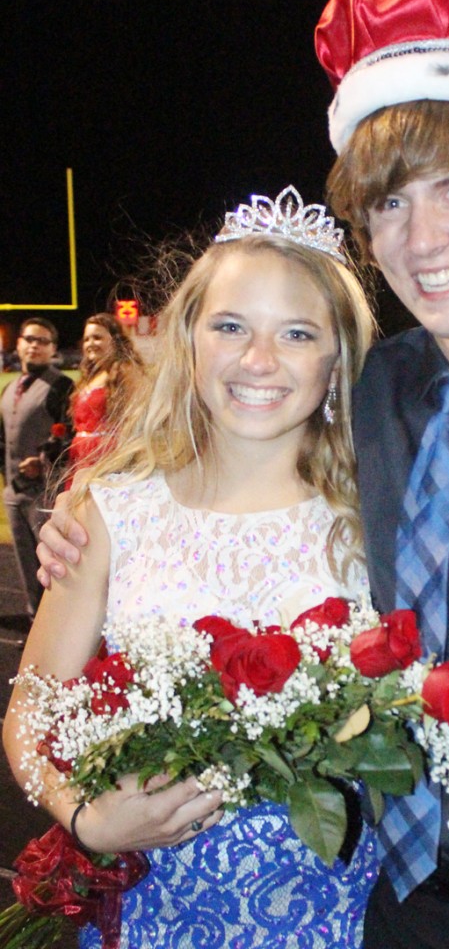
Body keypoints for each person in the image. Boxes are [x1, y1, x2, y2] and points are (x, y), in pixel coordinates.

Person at [34, 0, 449, 949]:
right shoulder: (373, 392)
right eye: (389, 202)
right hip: (398, 910)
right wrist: (92, 532)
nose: (422, 239)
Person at [4, 186, 377, 949]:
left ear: (337, 355)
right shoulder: (113, 510)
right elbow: (30, 713)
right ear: (189, 339)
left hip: (340, 917)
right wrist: (87, 815)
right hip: (154, 916)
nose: (258, 360)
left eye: (298, 333)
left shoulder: (380, 514)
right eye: (231, 325)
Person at [0, 317, 73, 619]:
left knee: (52, 565)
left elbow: (69, 433)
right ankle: (33, 620)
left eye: (42, 341)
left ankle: (54, 629)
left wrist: (43, 459)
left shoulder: (61, 385)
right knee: (26, 565)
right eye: (29, 339)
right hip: (14, 490)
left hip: (45, 491)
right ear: (18, 345)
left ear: (53, 349)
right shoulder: (9, 387)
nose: (34, 345)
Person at [65, 313, 144, 485]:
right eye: (87, 339)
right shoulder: (89, 376)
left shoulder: (125, 370)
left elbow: (140, 417)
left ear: (115, 340)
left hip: (109, 458)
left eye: (97, 338)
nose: (90, 344)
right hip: (81, 457)